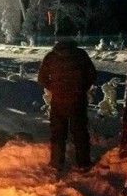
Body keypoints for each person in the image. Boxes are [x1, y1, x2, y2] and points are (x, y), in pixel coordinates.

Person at [38, 35, 96, 171]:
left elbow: (41, 78)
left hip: (58, 101)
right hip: (78, 100)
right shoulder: (81, 55)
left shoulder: (51, 56)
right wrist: (81, 88)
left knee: (58, 132)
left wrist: (55, 88)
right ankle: (83, 163)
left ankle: (57, 163)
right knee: (80, 132)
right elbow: (92, 74)